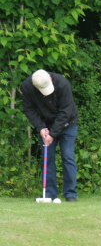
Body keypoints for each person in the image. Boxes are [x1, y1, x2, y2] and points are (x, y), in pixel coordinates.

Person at [21, 69, 79, 202]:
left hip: (67, 124)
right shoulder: (27, 86)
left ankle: (70, 194)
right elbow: (29, 109)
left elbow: (66, 111)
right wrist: (41, 128)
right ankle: (49, 194)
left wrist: (53, 133)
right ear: (35, 86)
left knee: (68, 156)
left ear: (50, 78)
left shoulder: (62, 84)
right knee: (48, 158)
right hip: (45, 126)